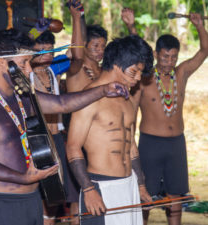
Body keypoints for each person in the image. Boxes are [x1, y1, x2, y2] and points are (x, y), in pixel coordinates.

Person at [0, 29, 129, 225]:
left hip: (31, 200)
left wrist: (104, 90)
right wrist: (24, 178)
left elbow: (62, 103)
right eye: (24, 63)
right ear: (1, 64)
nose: (29, 70)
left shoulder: (24, 97)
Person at [123, 10, 208, 225]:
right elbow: (138, 50)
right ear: (155, 53)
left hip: (176, 143)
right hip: (150, 143)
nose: (169, 62)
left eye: (173, 57)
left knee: (176, 195)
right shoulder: (145, 78)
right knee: (146, 196)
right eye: (164, 57)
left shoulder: (182, 73)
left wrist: (199, 26)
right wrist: (131, 26)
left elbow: (205, 50)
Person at [66, 35, 154, 225]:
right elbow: (73, 146)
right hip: (100, 186)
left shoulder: (127, 98)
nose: (138, 78)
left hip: (129, 184)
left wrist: (140, 184)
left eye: (140, 72)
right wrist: (89, 190)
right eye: (134, 71)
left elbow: (131, 146)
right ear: (117, 65)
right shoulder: (89, 97)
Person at [30, 2, 83, 224]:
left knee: (56, 198)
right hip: (35, 142)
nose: (44, 54)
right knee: (38, 196)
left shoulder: (54, 69)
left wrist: (76, 18)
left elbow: (77, 52)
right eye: (38, 50)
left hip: (57, 140)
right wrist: (34, 31)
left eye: (48, 50)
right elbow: (15, 48)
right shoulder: (22, 74)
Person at [66, 24, 107, 92]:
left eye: (103, 46)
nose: (101, 50)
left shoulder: (105, 71)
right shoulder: (76, 69)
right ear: (83, 45)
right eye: (96, 46)